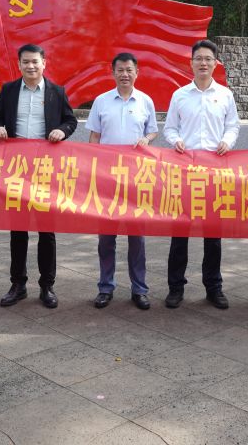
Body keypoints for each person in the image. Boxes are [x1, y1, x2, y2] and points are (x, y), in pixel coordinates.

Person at [0, 43, 77, 308]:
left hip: (45, 168)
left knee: (46, 230)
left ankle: (47, 286)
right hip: (16, 168)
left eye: (35, 62)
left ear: (44, 63)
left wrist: (62, 131)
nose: (30, 66)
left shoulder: (56, 92)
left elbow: (70, 120)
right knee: (18, 229)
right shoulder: (9, 90)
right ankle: (18, 284)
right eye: (25, 62)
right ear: (19, 64)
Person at [163, 39, 240, 309]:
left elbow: (233, 126)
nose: (203, 63)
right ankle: (175, 288)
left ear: (215, 63)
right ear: (191, 63)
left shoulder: (225, 95)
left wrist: (227, 142)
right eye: (199, 59)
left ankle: (214, 287)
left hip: (215, 172)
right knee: (179, 234)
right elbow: (170, 128)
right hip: (185, 172)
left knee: (213, 235)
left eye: (208, 59)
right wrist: (176, 141)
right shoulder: (180, 95)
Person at [86, 53, 158, 311]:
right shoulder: (101, 101)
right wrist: (93, 170)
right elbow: (94, 137)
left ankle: (139, 289)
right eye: (120, 70)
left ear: (137, 72)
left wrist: (147, 139)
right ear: (113, 72)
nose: (125, 74)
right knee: (106, 238)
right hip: (108, 179)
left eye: (129, 70)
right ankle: (105, 287)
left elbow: (153, 131)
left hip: (137, 178)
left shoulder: (145, 101)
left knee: (137, 238)